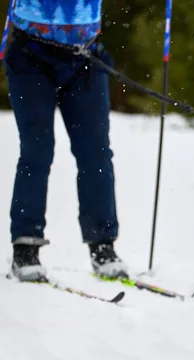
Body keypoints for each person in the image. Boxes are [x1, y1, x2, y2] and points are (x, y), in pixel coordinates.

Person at [3, 0, 128, 282]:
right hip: (31, 55)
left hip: (85, 57)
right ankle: (25, 246)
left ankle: (103, 246)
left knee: (95, 153)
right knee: (37, 150)